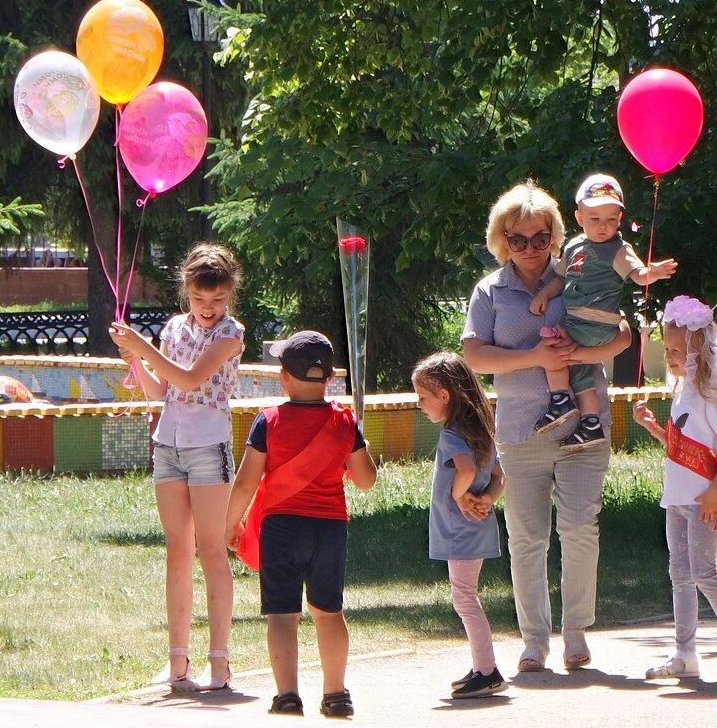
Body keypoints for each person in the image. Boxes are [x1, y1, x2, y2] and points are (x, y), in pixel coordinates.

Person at [462, 180, 632, 674]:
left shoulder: (581, 271)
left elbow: (622, 333)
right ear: (502, 241)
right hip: (520, 431)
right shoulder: (489, 290)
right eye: (519, 240)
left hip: (585, 427)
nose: (531, 248)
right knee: (527, 537)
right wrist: (533, 356)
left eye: (540, 238)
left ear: (557, 236)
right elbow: (474, 354)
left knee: (581, 529)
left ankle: (576, 632)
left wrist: (582, 354)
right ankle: (535, 640)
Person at [109, 243, 245, 691]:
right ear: (186, 290)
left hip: (208, 445)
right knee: (177, 552)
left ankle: (220, 661)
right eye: (200, 298)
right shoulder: (173, 328)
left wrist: (142, 346)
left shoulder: (232, 334)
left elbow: (190, 379)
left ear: (229, 295)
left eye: (218, 299)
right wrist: (133, 357)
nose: (208, 308)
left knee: (211, 549)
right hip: (167, 444)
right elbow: (162, 390)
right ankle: (176, 661)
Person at [224, 330, 377, 717]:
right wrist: (358, 443)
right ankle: (336, 694)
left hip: (281, 528)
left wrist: (232, 523)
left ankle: (288, 696)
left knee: (282, 613)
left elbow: (245, 481)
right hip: (329, 529)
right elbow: (365, 480)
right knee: (328, 612)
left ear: (283, 377)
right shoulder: (344, 422)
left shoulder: (268, 421)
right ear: (329, 379)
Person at [632, 295, 717, 679]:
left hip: (703, 500)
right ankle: (684, 654)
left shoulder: (711, 396)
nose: (668, 356)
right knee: (679, 575)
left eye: (674, 350)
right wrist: (653, 428)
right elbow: (680, 446)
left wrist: (714, 491)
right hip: (677, 498)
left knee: (703, 573)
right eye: (666, 349)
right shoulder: (682, 393)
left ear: (697, 352)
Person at [530, 173, 676, 448]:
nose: (603, 226)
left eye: (611, 219)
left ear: (619, 220)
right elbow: (560, 279)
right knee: (581, 369)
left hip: (597, 322)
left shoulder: (618, 250)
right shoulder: (573, 246)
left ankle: (560, 399)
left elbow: (637, 275)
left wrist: (651, 273)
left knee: (554, 346)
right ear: (579, 218)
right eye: (595, 218)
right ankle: (590, 423)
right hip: (579, 320)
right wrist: (543, 294)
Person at [411, 352, 507, 699]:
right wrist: (488, 499)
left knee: (465, 599)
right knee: (467, 597)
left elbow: (465, 471)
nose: (420, 405)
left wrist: (459, 495)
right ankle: (482, 665)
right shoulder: (480, 430)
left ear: (444, 396)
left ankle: (487, 671)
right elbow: (499, 477)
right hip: (476, 526)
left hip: (460, 530)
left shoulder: (453, 435)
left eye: (423, 397)